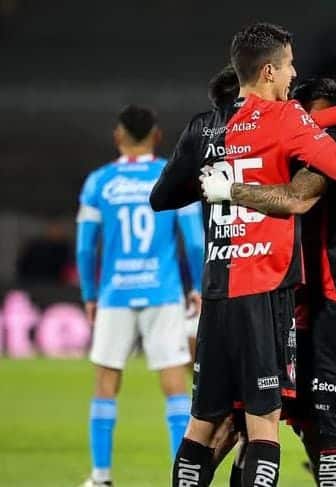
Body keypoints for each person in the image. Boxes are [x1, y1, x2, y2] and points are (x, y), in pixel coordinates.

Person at [150, 22, 336, 487]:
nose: (294, 73)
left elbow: (162, 197)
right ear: (269, 70)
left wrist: (217, 186)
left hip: (217, 287)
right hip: (265, 287)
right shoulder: (285, 120)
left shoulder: (205, 126)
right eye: (288, 65)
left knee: (205, 421)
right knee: (264, 426)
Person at [75, 105, 203, 487]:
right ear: (158, 136)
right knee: (175, 385)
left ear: (118, 136)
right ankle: (184, 475)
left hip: (114, 292)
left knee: (106, 384)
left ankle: (101, 477)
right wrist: (195, 285)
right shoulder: (172, 177)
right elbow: (195, 241)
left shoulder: (99, 182)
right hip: (162, 291)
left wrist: (89, 293)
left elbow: (85, 247)